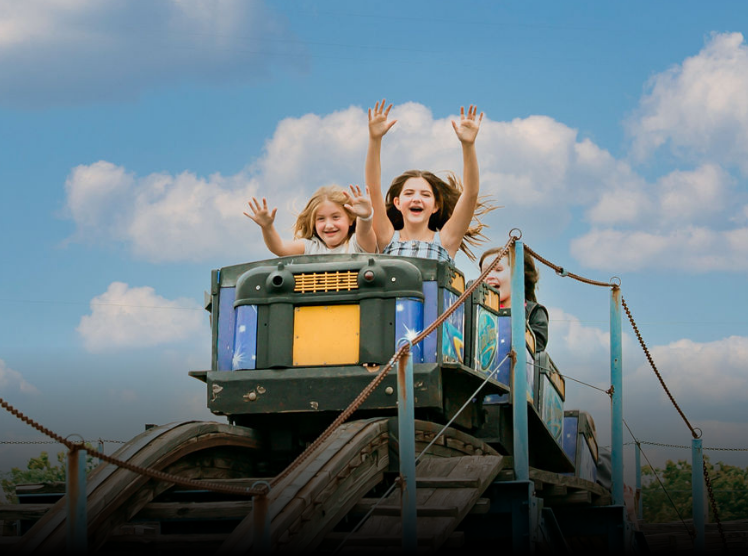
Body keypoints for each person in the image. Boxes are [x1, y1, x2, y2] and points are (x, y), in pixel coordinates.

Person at [366, 99, 492, 263]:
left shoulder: (446, 240)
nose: (416, 198)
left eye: (425, 195)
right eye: (409, 193)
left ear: (435, 205)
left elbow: (470, 193)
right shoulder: (387, 237)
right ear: (397, 203)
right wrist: (375, 140)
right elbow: (373, 189)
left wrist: (468, 145)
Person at [244, 184, 377, 256]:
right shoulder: (311, 247)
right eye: (321, 219)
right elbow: (279, 248)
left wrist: (365, 216)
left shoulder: (357, 244)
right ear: (313, 223)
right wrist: (267, 227)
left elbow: (364, 231)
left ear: (350, 219)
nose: (329, 225)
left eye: (336, 217)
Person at [479, 246, 549, 352]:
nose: (490, 276)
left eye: (498, 270)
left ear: (517, 275)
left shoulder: (534, 313)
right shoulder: (477, 310)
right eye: (485, 272)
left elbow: (536, 347)